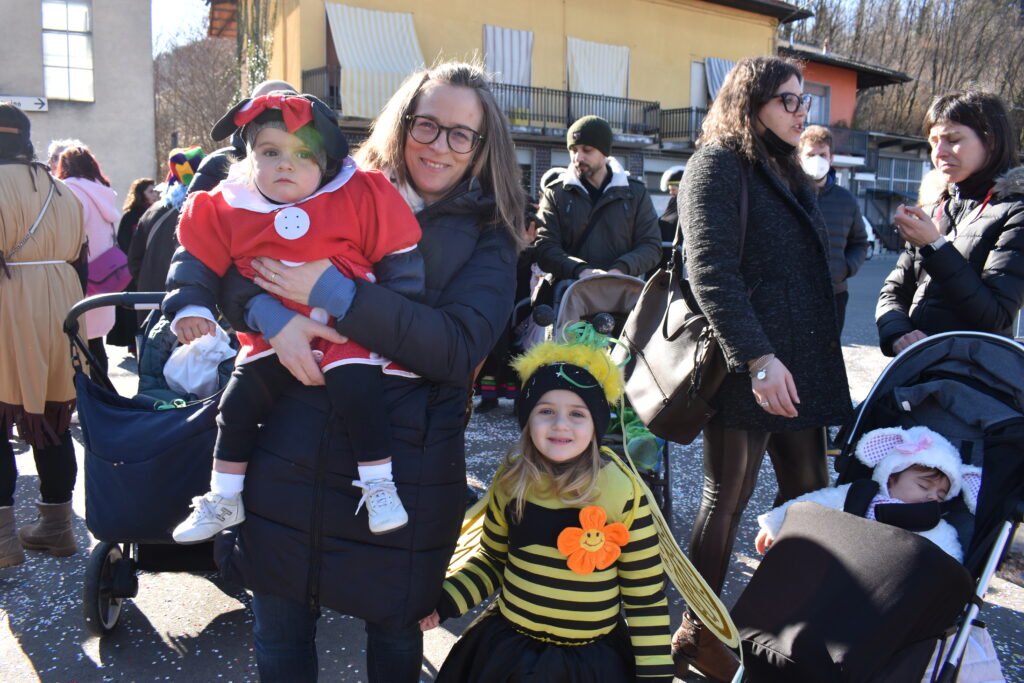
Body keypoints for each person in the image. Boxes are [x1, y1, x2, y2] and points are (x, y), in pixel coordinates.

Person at [208, 62, 524, 682]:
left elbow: (458, 349)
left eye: (462, 134)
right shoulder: (325, 185)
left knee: (396, 645)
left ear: (483, 147)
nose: (440, 146)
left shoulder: (492, 235)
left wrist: (337, 291)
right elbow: (225, 259)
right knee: (279, 642)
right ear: (402, 123)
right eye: (427, 125)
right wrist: (269, 313)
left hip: (404, 467)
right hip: (288, 448)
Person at [167, 92, 423, 542]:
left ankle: (380, 485)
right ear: (249, 158)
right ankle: (224, 496)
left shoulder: (358, 194)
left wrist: (398, 325)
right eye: (271, 152)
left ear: (324, 165)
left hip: (346, 326)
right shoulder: (228, 207)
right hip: (270, 334)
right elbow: (196, 259)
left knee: (359, 395)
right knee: (237, 405)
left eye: (303, 154)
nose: (286, 164)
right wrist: (190, 306)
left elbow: (397, 253)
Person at [675, 56, 851, 681]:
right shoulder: (717, 164)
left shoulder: (784, 166)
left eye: (806, 102)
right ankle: (697, 632)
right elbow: (711, 271)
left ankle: (779, 624)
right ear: (751, 103)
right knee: (727, 497)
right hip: (748, 362)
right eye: (790, 100)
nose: (802, 113)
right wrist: (757, 358)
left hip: (800, 362)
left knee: (810, 496)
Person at [420, 326, 674, 681]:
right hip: (511, 653)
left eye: (577, 414)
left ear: (597, 423)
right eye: (545, 411)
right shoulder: (512, 481)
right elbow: (493, 560)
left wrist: (656, 675)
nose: (559, 425)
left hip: (590, 662)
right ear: (527, 419)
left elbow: (644, 597)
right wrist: (444, 603)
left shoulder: (622, 492)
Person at [0, 103, 87, 567]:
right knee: (52, 422)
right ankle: (57, 528)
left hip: (7, 304)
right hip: (61, 306)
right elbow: (82, 263)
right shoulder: (62, 192)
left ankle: (3, 541)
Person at [876, 89, 1024, 356]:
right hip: (919, 369)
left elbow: (996, 317)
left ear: (991, 140)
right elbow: (893, 291)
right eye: (933, 141)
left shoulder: (1016, 211)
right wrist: (898, 334)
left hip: (974, 377)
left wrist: (934, 245)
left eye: (953, 139)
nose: (940, 152)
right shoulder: (935, 208)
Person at [756, 426, 982, 561]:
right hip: (833, 564)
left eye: (941, 496)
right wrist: (775, 524)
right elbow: (811, 505)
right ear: (891, 478)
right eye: (924, 487)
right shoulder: (859, 495)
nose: (932, 497)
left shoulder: (934, 527)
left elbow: (947, 564)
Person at [535, 115, 661, 282]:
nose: (578, 158)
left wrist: (620, 270)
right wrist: (580, 271)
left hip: (620, 294)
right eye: (573, 150)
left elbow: (651, 245)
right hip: (568, 295)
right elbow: (545, 246)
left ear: (604, 152)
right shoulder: (556, 192)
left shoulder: (635, 193)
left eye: (587, 150)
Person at [798, 125, 870, 335]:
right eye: (811, 154)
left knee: (829, 353)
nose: (817, 159)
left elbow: (860, 242)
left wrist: (845, 268)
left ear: (831, 159)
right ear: (799, 158)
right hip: (795, 295)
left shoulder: (846, 200)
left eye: (822, 154)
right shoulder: (787, 193)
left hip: (834, 293)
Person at [57, 145, 120, 378]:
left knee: (74, 344)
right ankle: (103, 396)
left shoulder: (68, 191)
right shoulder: (103, 191)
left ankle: (84, 399)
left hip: (79, 275)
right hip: (104, 275)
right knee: (96, 344)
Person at [127, 147, 205, 301]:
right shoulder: (203, 210)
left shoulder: (152, 211)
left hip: (148, 299)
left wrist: (146, 282)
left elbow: (134, 260)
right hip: (188, 303)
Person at [107, 177, 156, 352]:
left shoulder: (157, 211)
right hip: (133, 269)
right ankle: (131, 342)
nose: (154, 194)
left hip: (150, 268)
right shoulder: (131, 216)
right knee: (131, 308)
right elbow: (124, 241)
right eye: (150, 191)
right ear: (140, 194)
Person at [655, 165, 685, 271]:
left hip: (675, 261)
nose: (671, 193)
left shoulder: (684, 203)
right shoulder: (673, 202)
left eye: (673, 189)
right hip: (664, 258)